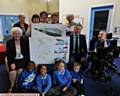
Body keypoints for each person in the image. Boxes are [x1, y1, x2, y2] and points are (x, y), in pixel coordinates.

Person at [6, 27, 30, 92]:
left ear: (21, 34)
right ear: (13, 34)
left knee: (20, 71)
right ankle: (12, 85)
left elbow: (27, 53)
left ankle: (16, 83)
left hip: (22, 60)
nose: (17, 35)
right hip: (13, 60)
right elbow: (8, 54)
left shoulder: (24, 41)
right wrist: (11, 63)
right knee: (13, 72)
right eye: (15, 33)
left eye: (18, 33)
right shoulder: (9, 42)